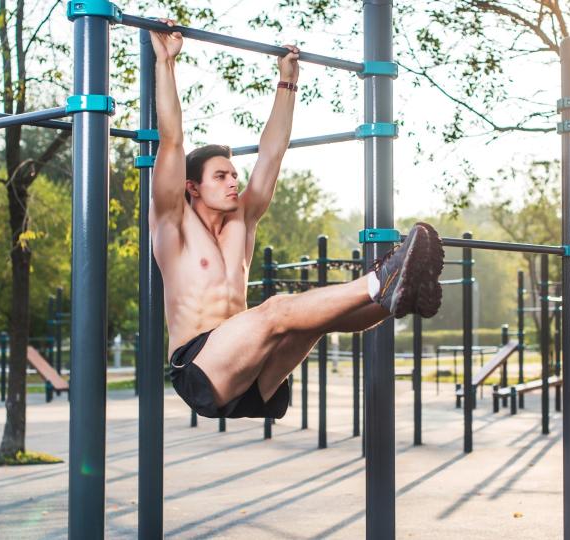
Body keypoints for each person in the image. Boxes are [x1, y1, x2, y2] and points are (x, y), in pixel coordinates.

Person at [148, 20, 445, 419]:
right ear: (192, 187)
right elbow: (172, 140)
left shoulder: (243, 221)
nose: (234, 181)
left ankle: (399, 293)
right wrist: (165, 63)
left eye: (235, 174)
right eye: (221, 176)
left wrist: (288, 81)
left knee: (314, 320)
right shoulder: (173, 224)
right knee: (278, 309)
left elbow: (272, 152)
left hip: (253, 373)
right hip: (202, 368)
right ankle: (381, 277)